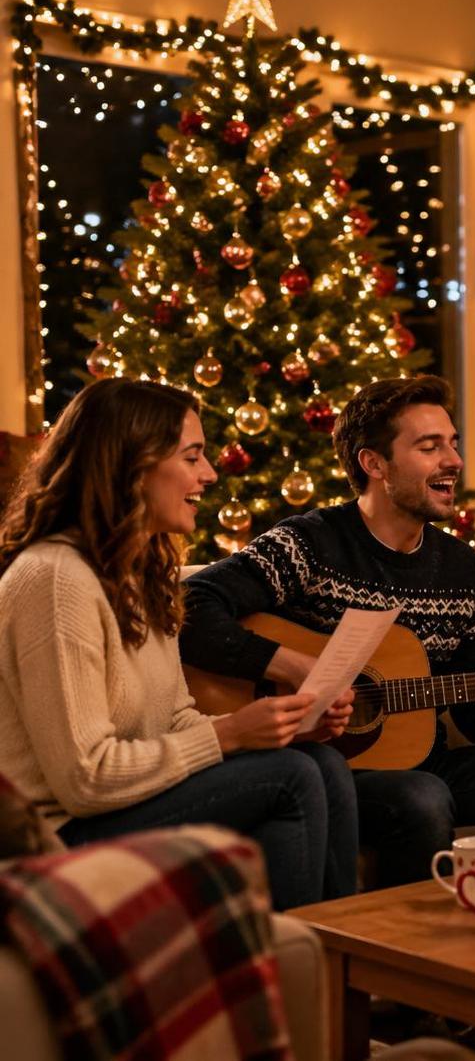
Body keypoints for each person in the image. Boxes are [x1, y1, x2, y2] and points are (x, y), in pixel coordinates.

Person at [180, 375, 475, 888]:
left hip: (424, 760)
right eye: (429, 447)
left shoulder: (460, 567)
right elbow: (191, 605)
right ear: (374, 464)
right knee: (421, 796)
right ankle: (402, 933)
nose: (454, 461)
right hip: (319, 766)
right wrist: (300, 667)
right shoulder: (308, 544)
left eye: (453, 443)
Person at [0, 379, 357, 909]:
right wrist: (230, 735)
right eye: (192, 457)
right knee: (290, 779)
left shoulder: (141, 573)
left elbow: (173, 719)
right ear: (132, 465)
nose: (209, 474)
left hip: (120, 808)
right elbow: (85, 780)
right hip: (58, 838)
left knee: (321, 762)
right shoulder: (57, 579)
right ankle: (293, 956)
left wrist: (274, 727)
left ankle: (333, 951)